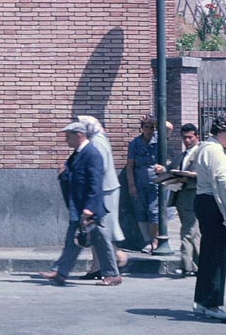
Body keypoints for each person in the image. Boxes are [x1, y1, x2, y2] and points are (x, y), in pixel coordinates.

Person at [37, 121, 122, 286]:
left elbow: (96, 183)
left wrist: (90, 208)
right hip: (79, 207)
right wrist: (63, 173)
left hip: (90, 209)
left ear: (79, 135)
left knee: (101, 241)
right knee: (73, 241)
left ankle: (112, 275)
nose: (66, 140)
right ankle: (60, 272)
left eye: (68, 137)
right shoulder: (77, 154)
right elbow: (71, 176)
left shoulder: (92, 154)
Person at [192, 113, 226, 320]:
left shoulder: (204, 147)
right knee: (217, 256)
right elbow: (223, 182)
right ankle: (212, 303)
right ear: (221, 131)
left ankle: (201, 301)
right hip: (214, 205)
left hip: (203, 201)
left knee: (207, 254)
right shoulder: (216, 152)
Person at [76, 115, 128, 278]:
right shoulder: (97, 139)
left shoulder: (97, 142)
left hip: (104, 190)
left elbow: (99, 168)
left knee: (102, 228)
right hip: (103, 189)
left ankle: (118, 257)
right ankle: (97, 266)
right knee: (97, 228)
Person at [126, 114, 164, 252]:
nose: (149, 130)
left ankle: (155, 240)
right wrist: (131, 185)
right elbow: (130, 165)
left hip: (156, 182)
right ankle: (147, 240)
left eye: (152, 127)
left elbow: (169, 127)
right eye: (146, 127)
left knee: (154, 212)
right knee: (141, 212)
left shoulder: (159, 140)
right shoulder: (135, 143)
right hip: (139, 182)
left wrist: (155, 120)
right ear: (142, 128)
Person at [170, 123, 201, 277]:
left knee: (188, 232)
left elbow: (200, 174)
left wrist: (185, 178)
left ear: (197, 137)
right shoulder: (182, 155)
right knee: (193, 233)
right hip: (181, 197)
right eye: (184, 138)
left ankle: (186, 265)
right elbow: (172, 168)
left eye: (190, 137)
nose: (187, 141)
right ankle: (197, 265)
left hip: (193, 195)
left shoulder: (200, 154)